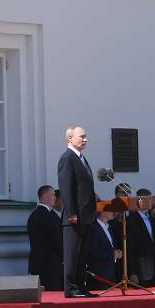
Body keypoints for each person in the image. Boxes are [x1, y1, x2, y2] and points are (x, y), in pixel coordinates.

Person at [57, 125, 97, 297]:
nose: (85, 139)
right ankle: (71, 288)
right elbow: (65, 187)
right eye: (81, 136)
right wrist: (72, 212)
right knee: (72, 254)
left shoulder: (80, 158)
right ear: (70, 138)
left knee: (82, 255)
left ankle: (80, 287)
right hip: (74, 216)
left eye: (86, 136)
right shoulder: (67, 158)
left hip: (86, 216)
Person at [27, 185, 63, 291]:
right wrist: (65, 257)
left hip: (36, 263)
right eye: (53, 195)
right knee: (52, 295)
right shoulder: (48, 216)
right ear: (46, 196)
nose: (55, 198)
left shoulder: (34, 215)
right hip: (49, 264)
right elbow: (56, 241)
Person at [86, 209, 122, 285]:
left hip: (111, 274)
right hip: (99, 276)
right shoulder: (93, 228)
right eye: (110, 209)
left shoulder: (109, 227)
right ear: (101, 212)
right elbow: (93, 251)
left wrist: (118, 252)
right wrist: (112, 254)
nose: (113, 211)